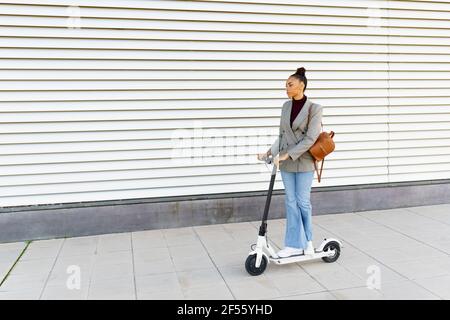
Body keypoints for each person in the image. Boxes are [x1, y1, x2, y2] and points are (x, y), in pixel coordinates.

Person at [257, 67, 323, 258]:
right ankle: (294, 244)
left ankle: (308, 241)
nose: (286, 87)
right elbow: (282, 135)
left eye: (290, 84)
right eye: (286, 84)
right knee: (290, 202)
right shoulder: (286, 106)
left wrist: (287, 154)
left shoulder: (314, 108)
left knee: (303, 202)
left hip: (304, 162)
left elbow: (311, 138)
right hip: (285, 162)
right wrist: (269, 152)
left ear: (301, 85)